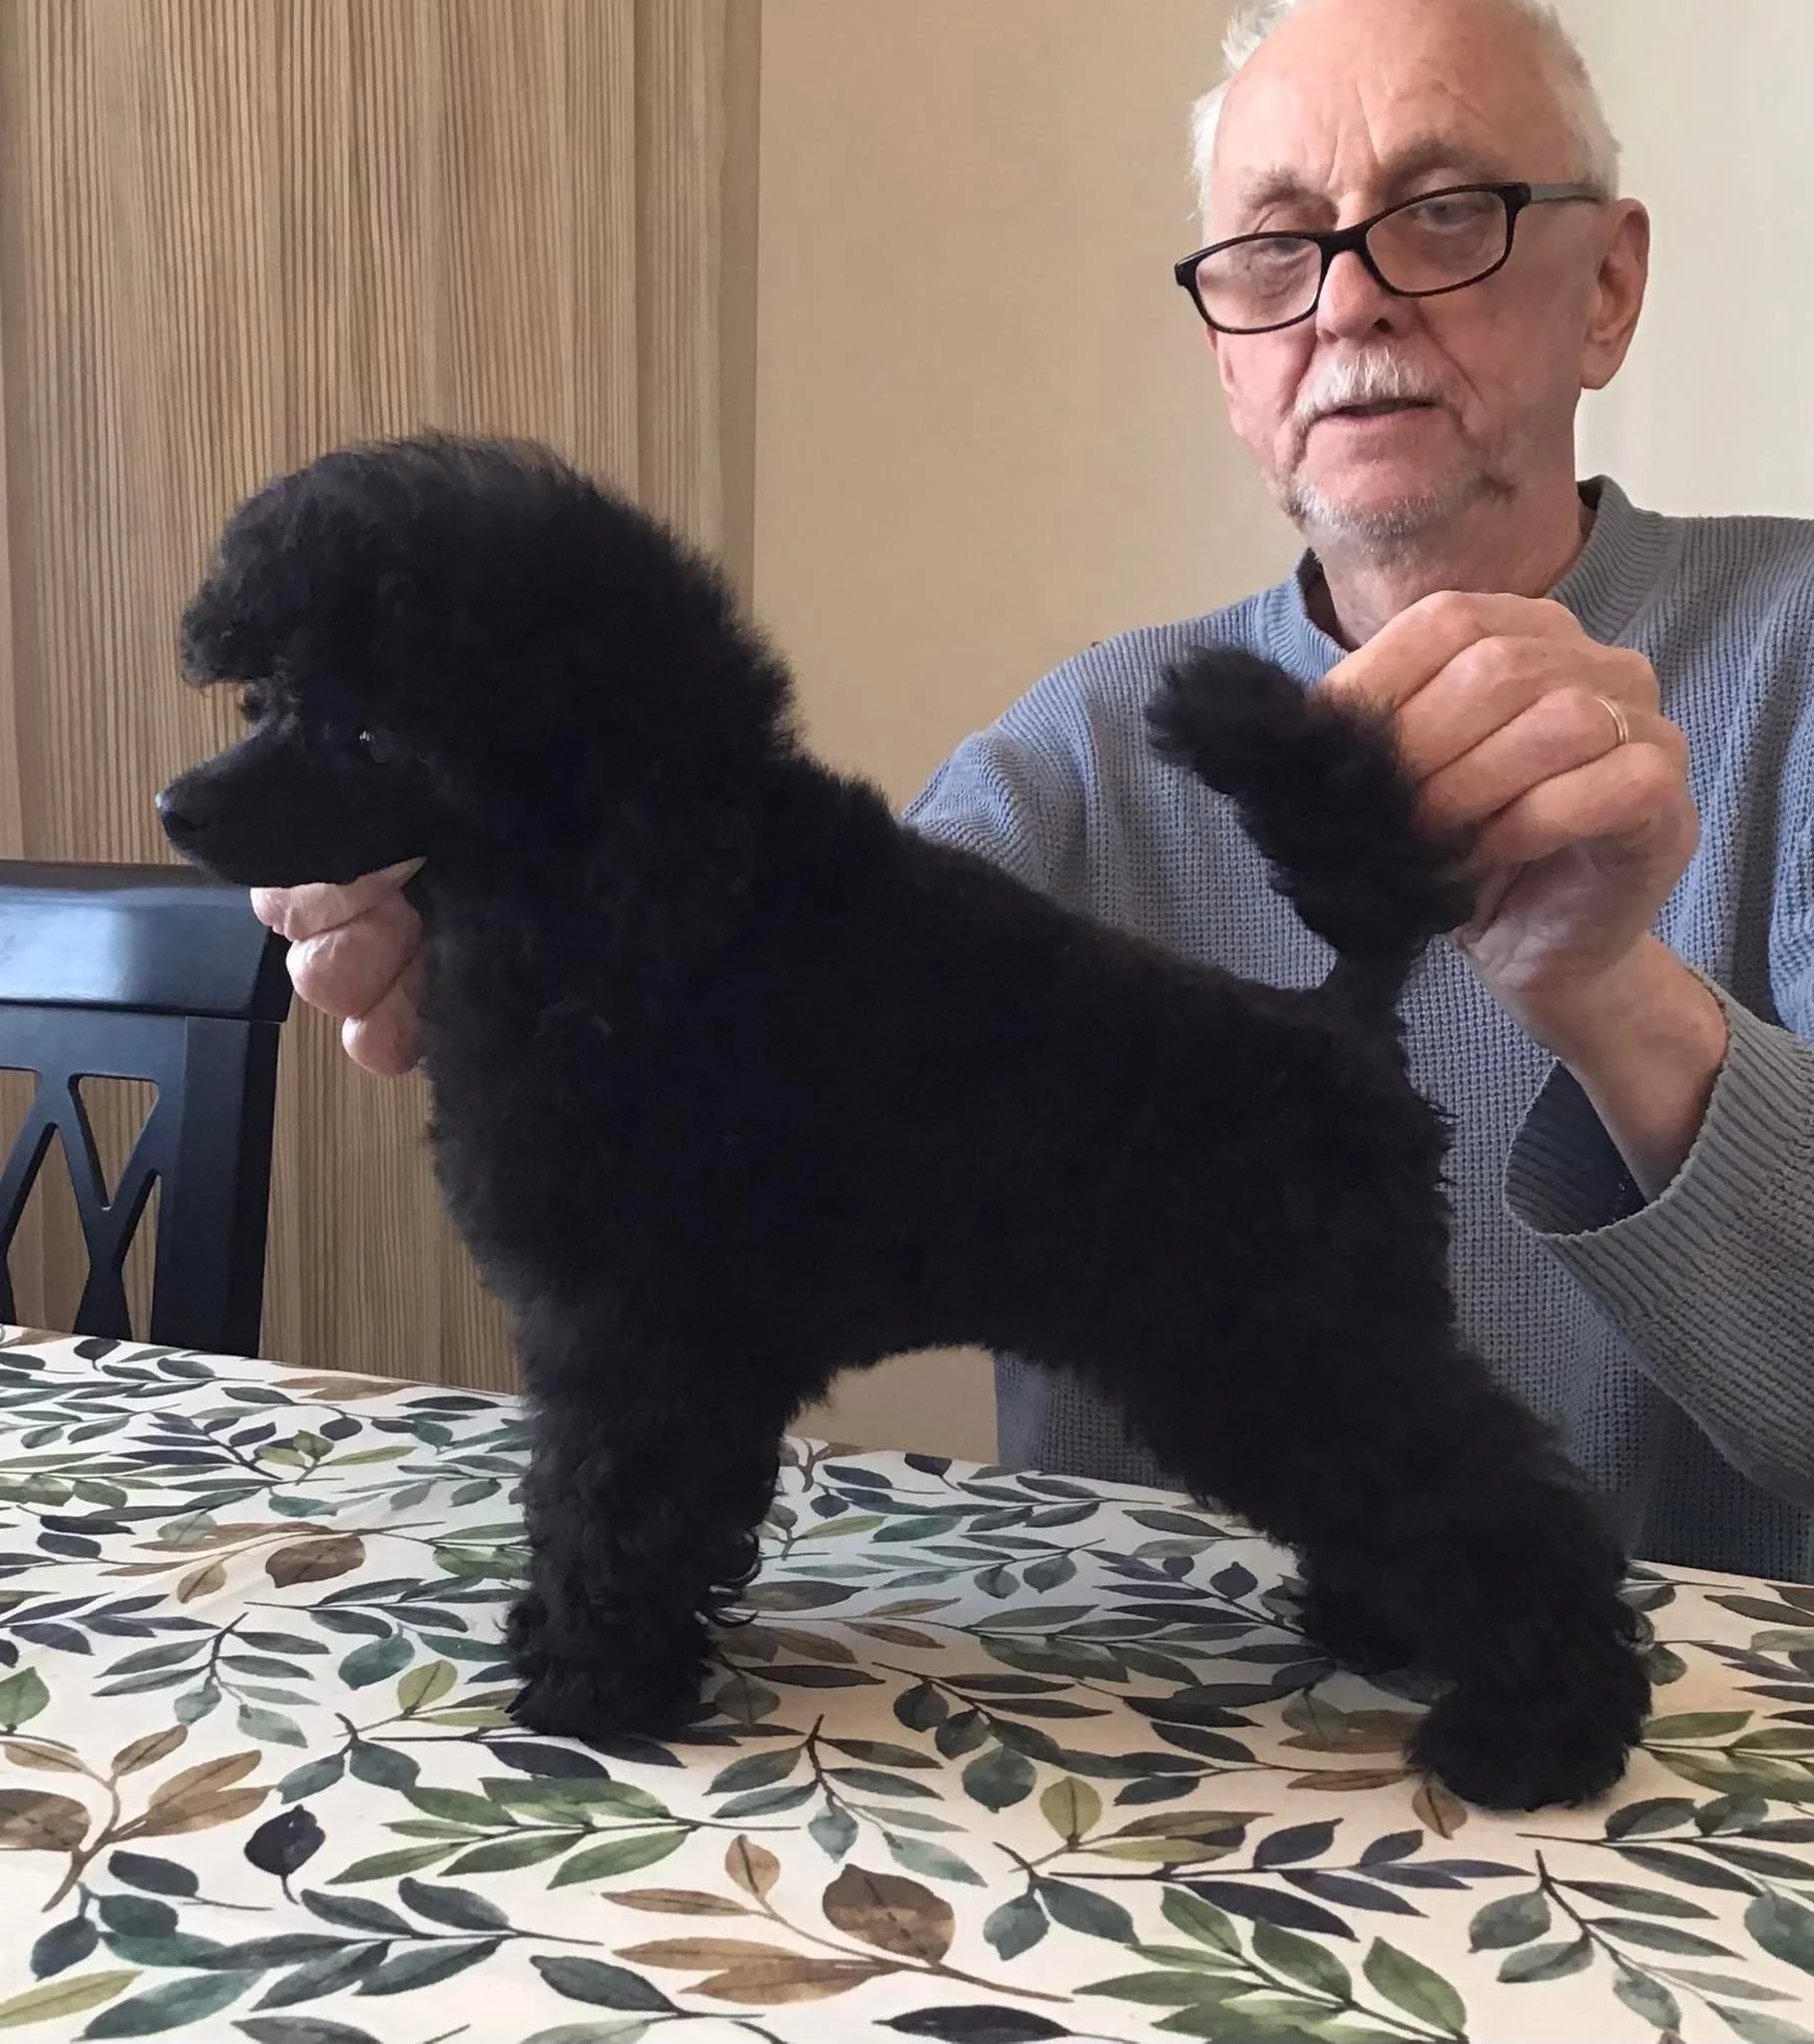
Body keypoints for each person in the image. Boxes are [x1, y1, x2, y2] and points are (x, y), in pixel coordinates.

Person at [253, 0, 1814, 1582]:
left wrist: (1613, 992)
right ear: (1225, 351)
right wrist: (527, 929)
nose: (1347, 302)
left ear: (1604, 285)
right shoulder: (1080, 744)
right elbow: (773, 1042)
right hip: (1135, 1727)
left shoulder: (1797, 656)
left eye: (1440, 213)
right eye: (1270, 251)